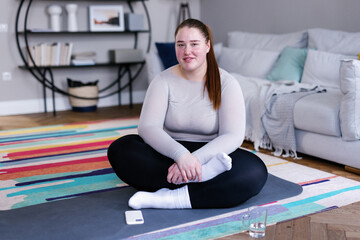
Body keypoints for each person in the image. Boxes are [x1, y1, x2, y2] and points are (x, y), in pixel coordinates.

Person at [107, 18, 268, 209]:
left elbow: (232, 136)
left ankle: (171, 198)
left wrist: (196, 160)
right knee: (121, 148)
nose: (187, 51)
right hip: (169, 153)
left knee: (254, 171)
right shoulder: (162, 81)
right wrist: (182, 157)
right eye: (180, 45)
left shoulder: (227, 83)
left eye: (194, 44)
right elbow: (148, 127)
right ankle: (203, 180)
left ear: (208, 46)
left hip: (210, 155)